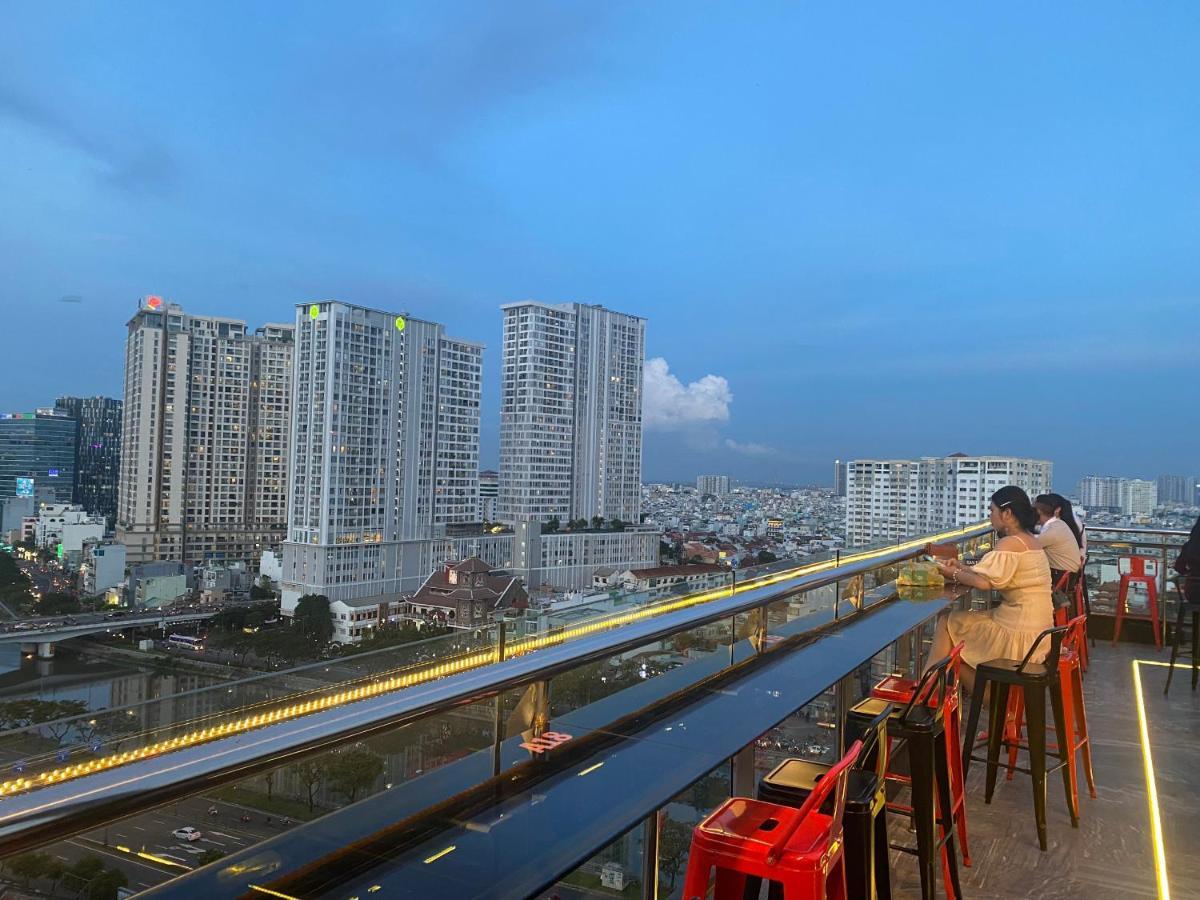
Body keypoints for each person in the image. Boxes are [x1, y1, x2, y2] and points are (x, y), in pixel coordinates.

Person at [929, 486, 1054, 695]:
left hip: (1018, 634)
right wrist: (961, 567)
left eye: (991, 511)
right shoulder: (1031, 541)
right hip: (1038, 632)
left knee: (947, 623)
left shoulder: (1010, 543)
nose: (990, 517)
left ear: (1007, 514)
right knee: (957, 644)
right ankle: (995, 707)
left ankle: (927, 693)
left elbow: (984, 583)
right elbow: (991, 573)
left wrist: (950, 573)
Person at [1033, 493, 1083, 580]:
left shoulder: (1052, 532)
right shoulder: (1059, 524)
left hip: (1059, 578)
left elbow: (1027, 545)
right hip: (1067, 577)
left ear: (1038, 512)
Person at [1174, 513, 1200, 601]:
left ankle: (1196, 615)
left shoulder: (1190, 545)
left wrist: (1191, 573)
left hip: (1193, 591)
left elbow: (1178, 567)